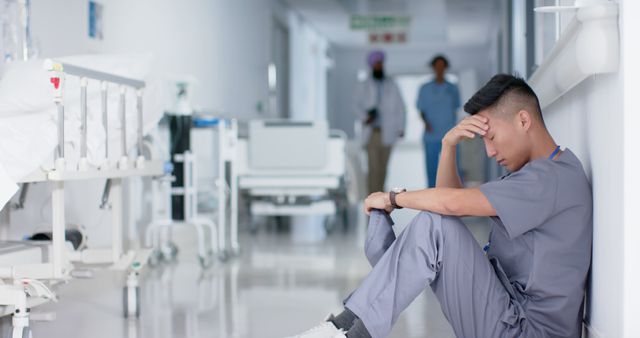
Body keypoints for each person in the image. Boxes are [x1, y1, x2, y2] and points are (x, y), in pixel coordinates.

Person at [287, 74, 592, 338]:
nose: (489, 151)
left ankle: (348, 331)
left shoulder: (549, 178)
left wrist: (394, 198)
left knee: (436, 225)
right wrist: (448, 145)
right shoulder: (537, 173)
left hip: (526, 329)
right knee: (428, 229)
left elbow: (451, 204)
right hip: (509, 311)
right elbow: (448, 203)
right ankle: (349, 324)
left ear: (523, 120)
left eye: (492, 137)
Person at [355, 50, 406, 195]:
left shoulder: (392, 84)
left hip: (387, 132)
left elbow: (400, 107)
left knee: (383, 167)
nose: (379, 65)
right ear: (371, 65)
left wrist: (401, 128)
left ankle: (380, 196)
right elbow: (355, 105)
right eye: (376, 63)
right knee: (373, 167)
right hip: (372, 132)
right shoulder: (364, 85)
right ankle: (371, 197)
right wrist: (365, 116)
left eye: (381, 63)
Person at [416, 55, 461, 188]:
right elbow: (421, 109)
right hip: (431, 134)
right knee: (431, 168)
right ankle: (433, 194)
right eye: (437, 66)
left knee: (452, 166)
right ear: (433, 67)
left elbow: (456, 108)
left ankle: (453, 194)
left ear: (446, 67)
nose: (440, 68)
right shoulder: (424, 88)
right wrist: (426, 123)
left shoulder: (452, 88)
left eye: (442, 66)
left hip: (449, 132)